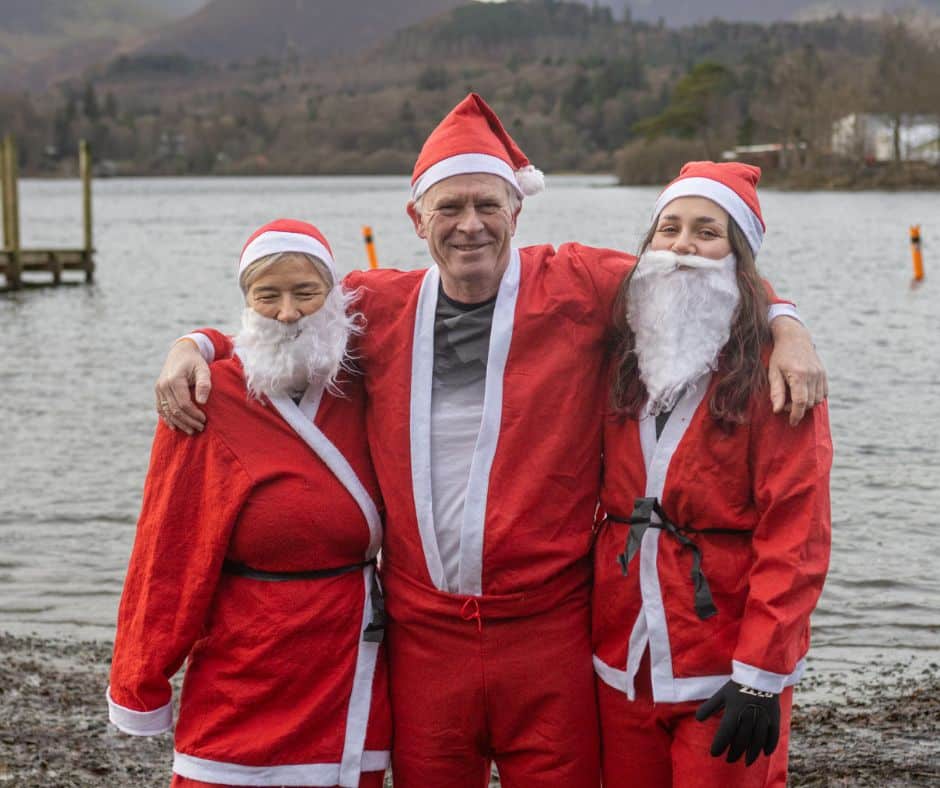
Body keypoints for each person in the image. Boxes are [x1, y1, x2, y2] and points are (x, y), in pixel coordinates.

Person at [154, 96, 827, 787]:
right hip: (423, 634)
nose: (469, 225)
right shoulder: (375, 305)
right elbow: (283, 311)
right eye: (448, 208)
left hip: (549, 630)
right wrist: (196, 345)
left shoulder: (575, 283)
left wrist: (784, 322)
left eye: (486, 205)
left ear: (517, 212)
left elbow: (692, 275)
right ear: (417, 219)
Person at [107, 220, 391, 788]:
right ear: (246, 303)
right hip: (245, 662)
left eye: (306, 293)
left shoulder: (369, 378)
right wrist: (141, 679)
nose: (287, 313)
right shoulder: (207, 397)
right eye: (268, 296)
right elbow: (168, 550)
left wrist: (196, 339)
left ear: (334, 298)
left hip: (350, 653)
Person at [592, 161, 832, 788]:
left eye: (707, 232)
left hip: (725, 661)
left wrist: (761, 672)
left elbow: (797, 533)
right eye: (668, 228)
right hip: (626, 656)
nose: (682, 247)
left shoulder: (779, 374)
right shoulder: (622, 344)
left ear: (739, 255)